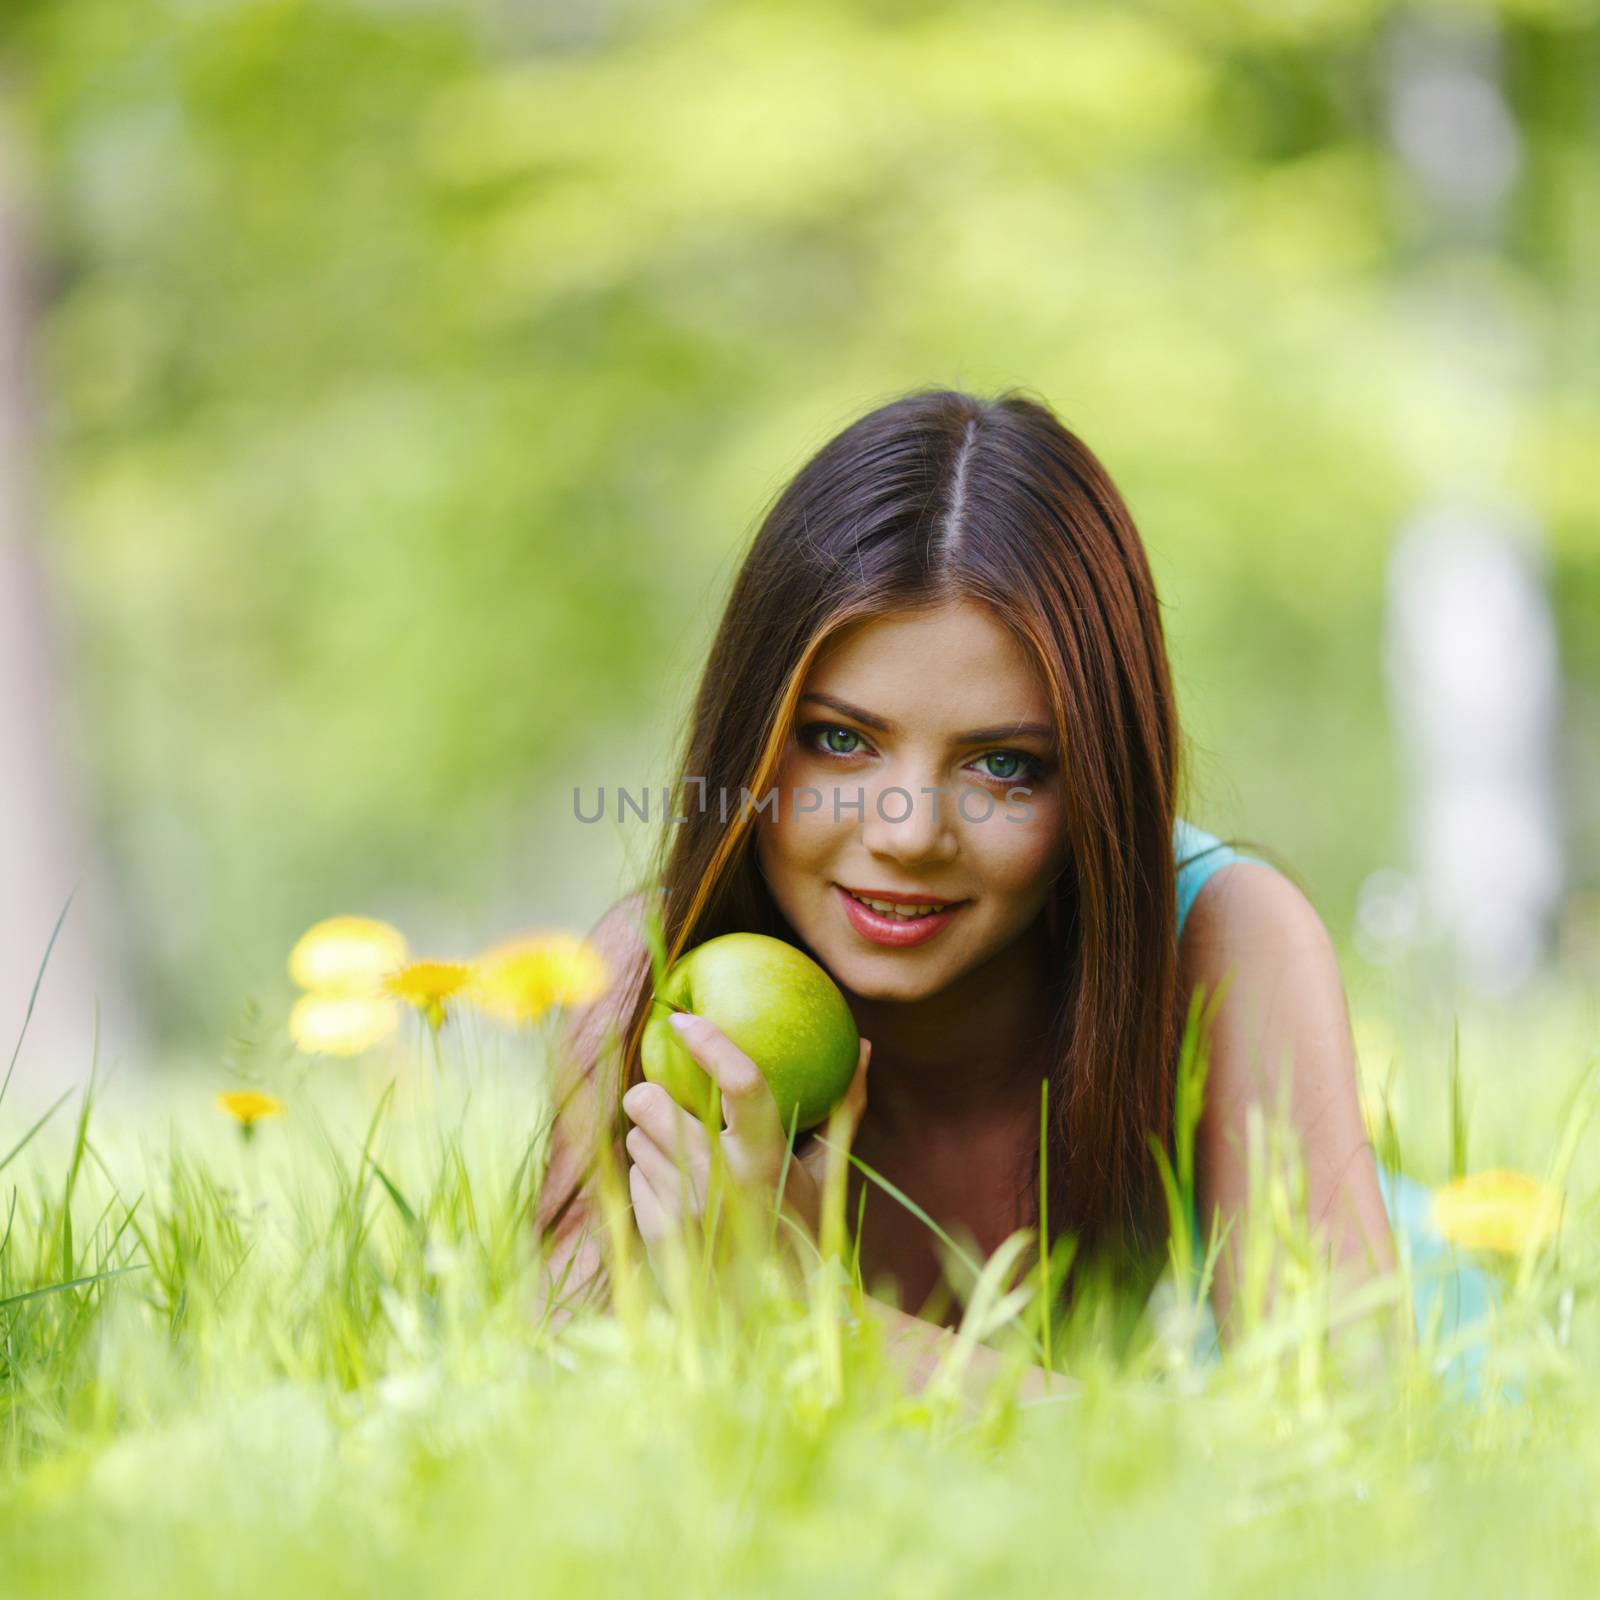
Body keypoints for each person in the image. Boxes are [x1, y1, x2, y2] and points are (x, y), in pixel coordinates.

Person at [536, 387, 1405, 1393]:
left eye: (1001, 764)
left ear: (1097, 782)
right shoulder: (650, 989)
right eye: (839, 740)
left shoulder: (1221, 938)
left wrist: (815, 1321)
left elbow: (1349, 1450)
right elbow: (552, 1417)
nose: (908, 833)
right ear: (752, 740)